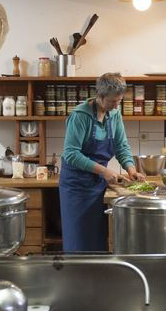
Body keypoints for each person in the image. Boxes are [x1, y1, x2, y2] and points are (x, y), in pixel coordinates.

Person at [59, 72, 143, 252]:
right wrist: (104, 171)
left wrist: (131, 169)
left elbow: (121, 146)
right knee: (79, 238)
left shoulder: (114, 114)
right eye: (113, 101)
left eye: (119, 101)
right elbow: (71, 154)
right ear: (100, 95)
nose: (116, 106)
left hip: (97, 184)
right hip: (76, 186)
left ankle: (97, 270)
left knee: (97, 237)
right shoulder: (80, 116)